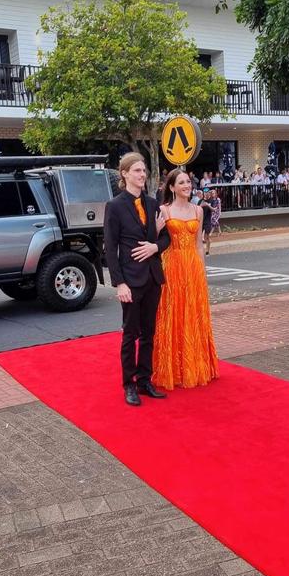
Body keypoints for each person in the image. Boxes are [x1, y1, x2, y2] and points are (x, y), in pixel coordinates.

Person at [103, 152, 170, 407]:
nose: (142, 175)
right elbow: (110, 249)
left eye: (144, 171)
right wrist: (119, 283)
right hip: (130, 280)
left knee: (149, 333)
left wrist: (155, 247)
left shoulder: (154, 204)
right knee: (131, 334)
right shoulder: (115, 206)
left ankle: (145, 381)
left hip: (153, 277)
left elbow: (166, 239)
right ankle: (128, 384)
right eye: (137, 171)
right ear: (125, 174)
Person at [152, 168, 219, 389]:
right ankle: (173, 368)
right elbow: (154, 240)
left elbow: (199, 244)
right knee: (173, 312)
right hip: (171, 265)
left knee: (193, 313)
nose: (186, 186)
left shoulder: (198, 211)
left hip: (192, 266)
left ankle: (195, 365)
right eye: (181, 183)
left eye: (188, 182)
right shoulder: (163, 210)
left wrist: (203, 271)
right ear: (172, 187)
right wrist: (155, 229)